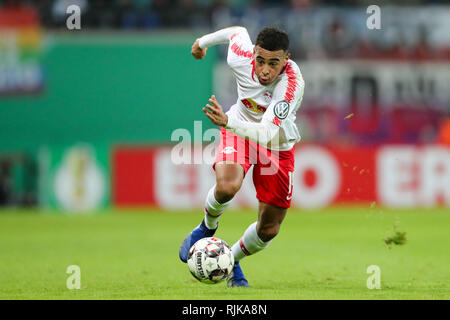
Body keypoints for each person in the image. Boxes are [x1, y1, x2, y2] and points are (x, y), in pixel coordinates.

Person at [179, 26, 305, 287]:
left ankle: (231, 259)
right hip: (239, 130)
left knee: (269, 229)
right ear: (254, 54)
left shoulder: (292, 83)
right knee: (227, 186)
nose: (265, 70)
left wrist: (227, 122)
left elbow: (269, 130)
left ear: (286, 59)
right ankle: (206, 227)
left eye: (274, 63)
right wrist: (201, 42)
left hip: (276, 145)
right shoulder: (240, 55)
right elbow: (236, 31)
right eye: (260, 61)